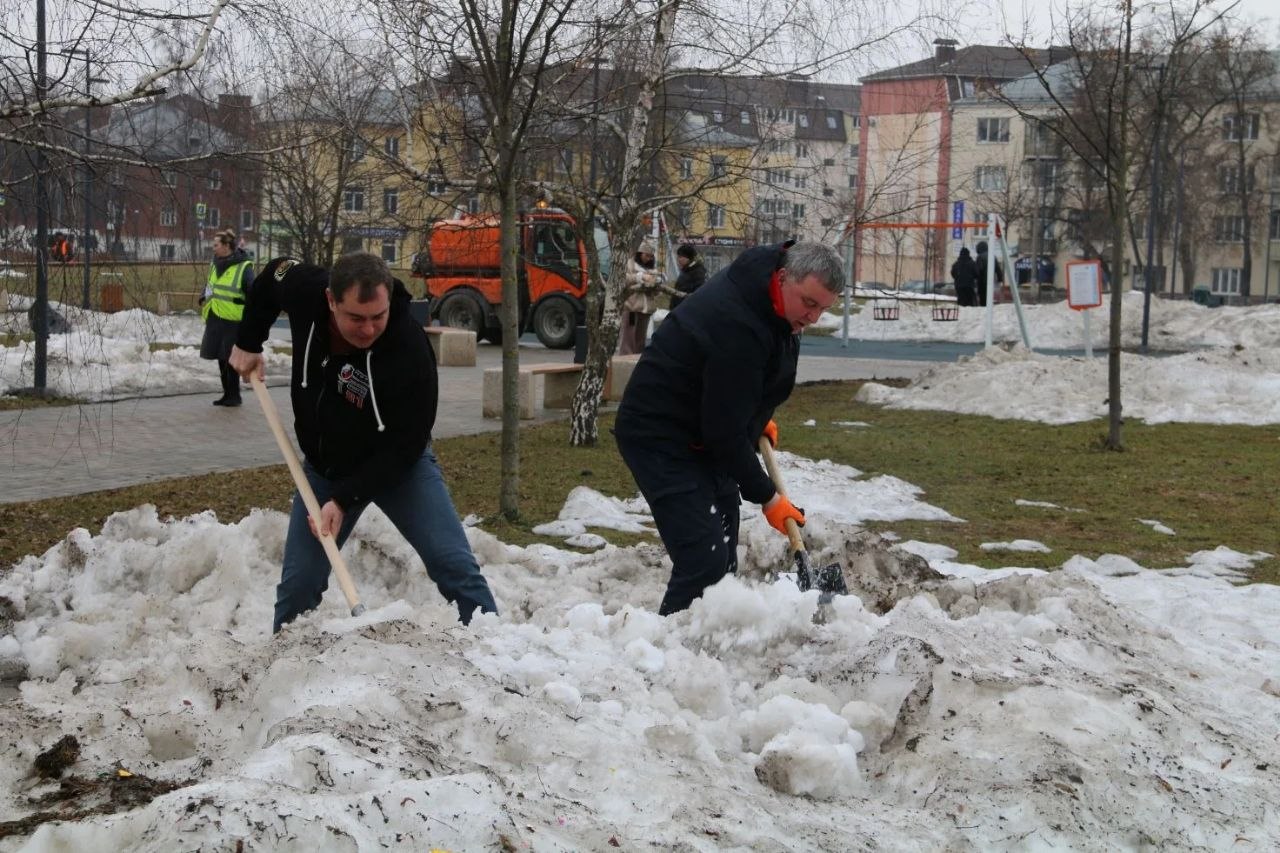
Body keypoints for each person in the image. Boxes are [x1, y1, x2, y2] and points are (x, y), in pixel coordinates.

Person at [229, 252, 498, 632]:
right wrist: (248, 339)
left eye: (378, 317)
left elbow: (408, 442)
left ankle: (495, 648)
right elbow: (273, 273)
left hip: (399, 468)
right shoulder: (306, 290)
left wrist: (346, 498)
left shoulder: (408, 348)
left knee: (453, 564)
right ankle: (282, 671)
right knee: (299, 586)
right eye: (356, 318)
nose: (369, 329)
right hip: (326, 471)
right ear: (330, 300)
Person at [614, 241, 844, 615]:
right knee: (703, 561)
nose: (814, 317)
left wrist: (753, 417)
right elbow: (722, 429)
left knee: (723, 553)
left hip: (703, 429)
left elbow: (753, 377)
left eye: (823, 308)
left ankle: (710, 646)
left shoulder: (777, 303)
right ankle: (667, 653)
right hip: (660, 435)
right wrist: (769, 497)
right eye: (809, 303)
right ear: (784, 277)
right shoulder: (738, 322)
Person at [200, 229, 254, 406]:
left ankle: (234, 395)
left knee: (231, 359)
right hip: (215, 315)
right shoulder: (215, 263)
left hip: (233, 320)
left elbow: (252, 292)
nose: (213, 248)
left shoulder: (244, 267)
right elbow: (210, 284)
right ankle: (227, 394)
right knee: (221, 357)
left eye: (216, 245)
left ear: (226, 246)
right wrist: (203, 295)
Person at [618, 239, 662, 355]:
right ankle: (625, 359)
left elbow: (657, 293)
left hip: (646, 309)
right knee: (628, 338)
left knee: (640, 339)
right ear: (640, 253)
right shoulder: (629, 264)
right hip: (631, 307)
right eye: (646, 255)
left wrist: (656, 283)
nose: (649, 259)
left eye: (651, 256)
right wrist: (639, 277)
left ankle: (638, 359)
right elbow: (623, 279)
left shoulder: (652, 270)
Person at [668, 243, 707, 312]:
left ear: (688, 258)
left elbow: (698, 292)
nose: (678, 259)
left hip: (687, 310)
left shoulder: (697, 272)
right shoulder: (686, 270)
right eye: (678, 257)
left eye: (680, 257)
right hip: (678, 309)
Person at [974, 240, 1003, 307]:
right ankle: (988, 308)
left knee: (983, 297)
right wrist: (1000, 279)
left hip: (982, 281)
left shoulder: (980, 257)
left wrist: (975, 279)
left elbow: (978, 270)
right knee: (989, 297)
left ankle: (984, 309)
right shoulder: (993, 256)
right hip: (990, 280)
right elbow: (998, 269)